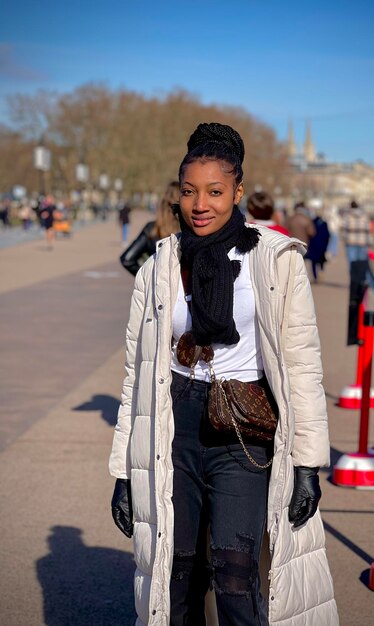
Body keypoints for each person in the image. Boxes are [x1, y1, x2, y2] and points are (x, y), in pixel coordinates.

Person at [109, 122, 338, 626]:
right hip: (175, 423)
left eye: (215, 192)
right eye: (189, 192)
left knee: (236, 575)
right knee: (179, 571)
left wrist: (307, 464)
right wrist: (124, 471)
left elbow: (302, 366)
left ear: (237, 192)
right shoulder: (160, 265)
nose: (200, 204)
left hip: (244, 426)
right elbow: (138, 374)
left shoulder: (276, 259)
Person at [120, 181, 181, 276]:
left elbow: (127, 259)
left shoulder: (152, 228)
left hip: (158, 289)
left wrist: (149, 279)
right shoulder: (190, 229)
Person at [341, 200, 373, 267]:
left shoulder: (347, 216)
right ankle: (361, 276)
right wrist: (370, 243)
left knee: (352, 263)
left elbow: (344, 229)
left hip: (351, 242)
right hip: (362, 242)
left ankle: (353, 276)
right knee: (362, 262)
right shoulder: (364, 216)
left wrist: (344, 239)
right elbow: (368, 230)